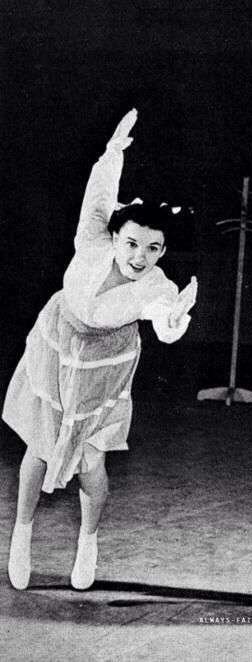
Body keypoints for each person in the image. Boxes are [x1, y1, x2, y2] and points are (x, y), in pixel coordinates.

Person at [3, 109, 197, 591]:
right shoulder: (91, 239)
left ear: (162, 252)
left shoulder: (157, 285)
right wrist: (113, 153)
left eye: (153, 249)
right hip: (57, 343)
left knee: (92, 459)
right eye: (132, 243)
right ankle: (21, 537)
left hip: (105, 365)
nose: (140, 257)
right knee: (39, 447)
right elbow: (99, 196)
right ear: (115, 237)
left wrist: (173, 319)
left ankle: (88, 542)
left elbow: (164, 319)